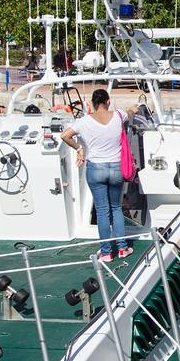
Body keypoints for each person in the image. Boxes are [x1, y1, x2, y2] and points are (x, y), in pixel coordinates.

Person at [60, 89, 136, 260]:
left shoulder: (83, 121)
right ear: (108, 101)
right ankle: (123, 248)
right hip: (116, 168)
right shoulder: (119, 115)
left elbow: (65, 136)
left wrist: (79, 149)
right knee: (116, 208)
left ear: (93, 104)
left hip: (96, 169)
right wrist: (134, 108)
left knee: (102, 211)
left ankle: (107, 252)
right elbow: (130, 113)